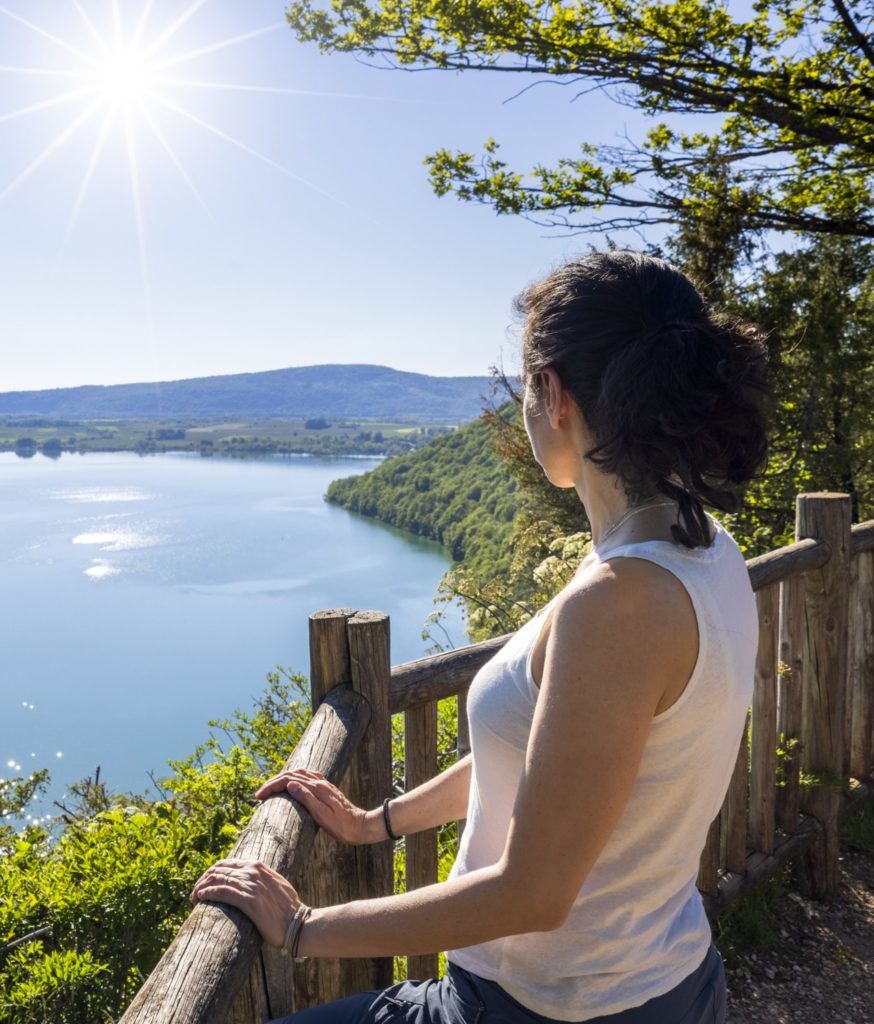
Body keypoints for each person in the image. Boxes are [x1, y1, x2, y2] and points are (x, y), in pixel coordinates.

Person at [190, 250, 775, 1023]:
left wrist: (302, 928)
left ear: (552, 394)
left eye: (524, 388)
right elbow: (548, 758)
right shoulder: (701, 549)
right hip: (666, 984)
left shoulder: (620, 603)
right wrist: (377, 823)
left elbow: (533, 893)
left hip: (546, 1007)